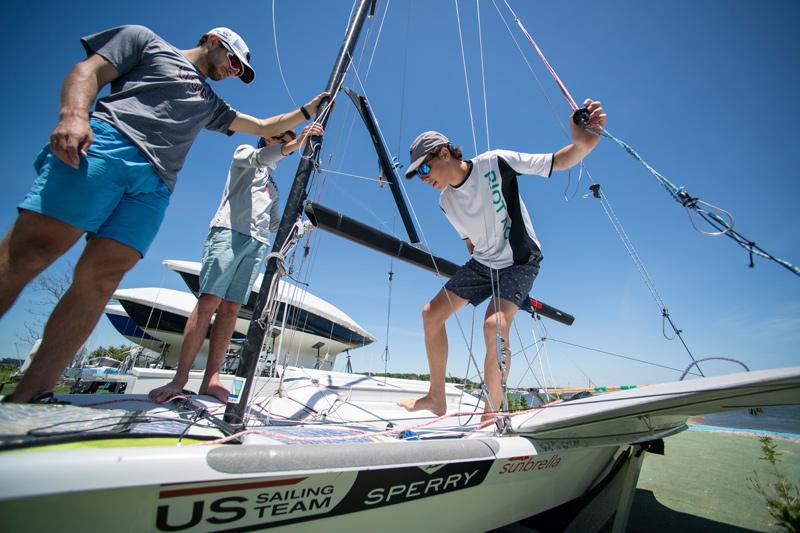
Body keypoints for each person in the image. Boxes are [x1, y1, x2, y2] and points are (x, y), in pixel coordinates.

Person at [0, 25, 329, 403]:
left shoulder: (211, 103)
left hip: (155, 185)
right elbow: (87, 71)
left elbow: (264, 125)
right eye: (234, 62)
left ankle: (31, 393)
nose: (233, 72)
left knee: (102, 278)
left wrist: (307, 111)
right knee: (31, 251)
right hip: (110, 146)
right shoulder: (147, 41)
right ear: (213, 41)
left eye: (240, 71)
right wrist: (74, 114)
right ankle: (180, 378)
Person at [397, 99, 606, 420]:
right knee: (431, 315)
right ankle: (436, 397)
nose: (423, 178)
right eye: (417, 175)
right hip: (483, 263)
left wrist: (583, 144)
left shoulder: (494, 162)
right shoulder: (445, 202)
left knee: (494, 325)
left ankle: (492, 411)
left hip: (521, 261)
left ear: (443, 153)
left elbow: (558, 161)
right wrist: (478, 282)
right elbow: (470, 242)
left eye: (424, 168)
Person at [148, 122, 324, 404]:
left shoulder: (273, 187)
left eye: (289, 143)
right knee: (209, 302)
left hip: (256, 243)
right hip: (228, 233)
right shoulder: (245, 154)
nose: (286, 146)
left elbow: (276, 224)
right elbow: (261, 157)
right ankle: (179, 379)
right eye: (282, 139)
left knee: (231, 309)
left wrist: (306, 225)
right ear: (267, 138)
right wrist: (298, 141)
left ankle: (211, 380)